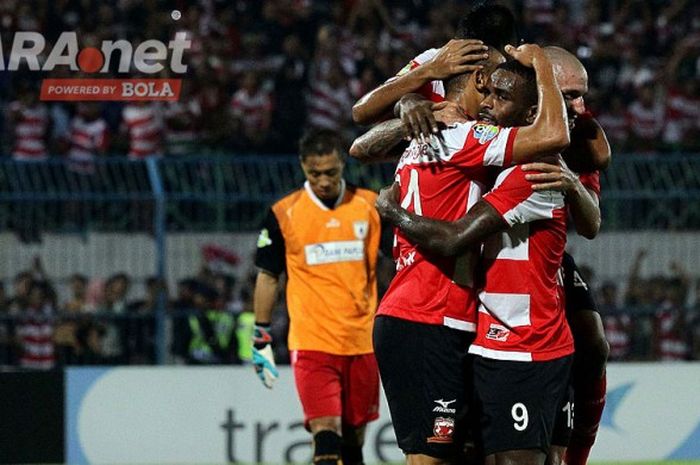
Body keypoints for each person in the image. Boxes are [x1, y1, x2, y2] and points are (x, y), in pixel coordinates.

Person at [351, 44, 569, 465]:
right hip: (426, 315)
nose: (489, 103)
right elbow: (552, 136)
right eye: (489, 91)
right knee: (429, 459)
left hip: (437, 314)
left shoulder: (424, 136)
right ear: (478, 81)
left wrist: (408, 112)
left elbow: (359, 146)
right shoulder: (466, 136)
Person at [251, 129, 381, 465]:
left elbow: (400, 262)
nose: (323, 181)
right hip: (312, 341)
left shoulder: (369, 207)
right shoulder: (284, 213)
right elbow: (268, 277)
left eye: (331, 173)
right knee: (325, 435)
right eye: (315, 174)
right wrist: (260, 336)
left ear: (342, 165)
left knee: (354, 441)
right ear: (303, 168)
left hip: (362, 340)